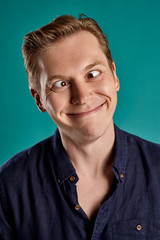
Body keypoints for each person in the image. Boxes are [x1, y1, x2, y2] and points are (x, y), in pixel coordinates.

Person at [0, 14, 159, 240]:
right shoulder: (8, 188)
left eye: (92, 74)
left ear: (114, 76)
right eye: (60, 84)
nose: (82, 96)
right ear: (39, 99)